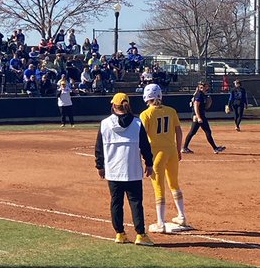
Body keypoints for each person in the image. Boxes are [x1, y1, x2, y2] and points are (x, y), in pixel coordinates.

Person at [95, 92, 155, 245]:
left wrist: (100, 166)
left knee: (116, 202)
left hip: (113, 171)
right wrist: (149, 164)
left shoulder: (105, 123)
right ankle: (140, 234)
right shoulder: (137, 123)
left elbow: (99, 148)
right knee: (135, 203)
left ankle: (120, 233)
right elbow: (145, 147)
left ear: (114, 106)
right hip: (132, 170)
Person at [139, 84, 191, 233]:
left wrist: (142, 156)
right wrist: (179, 148)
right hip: (172, 151)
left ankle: (160, 222)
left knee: (159, 187)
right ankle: (182, 216)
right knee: (174, 184)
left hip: (157, 153)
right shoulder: (171, 111)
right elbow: (178, 131)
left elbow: (143, 138)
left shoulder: (146, 114)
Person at [182, 80, 225, 155]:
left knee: (198, 132)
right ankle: (215, 148)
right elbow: (196, 105)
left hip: (200, 115)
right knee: (199, 132)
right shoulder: (199, 94)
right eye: (206, 86)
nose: (207, 87)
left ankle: (185, 148)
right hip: (198, 116)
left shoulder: (201, 94)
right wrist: (198, 117)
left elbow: (203, 106)